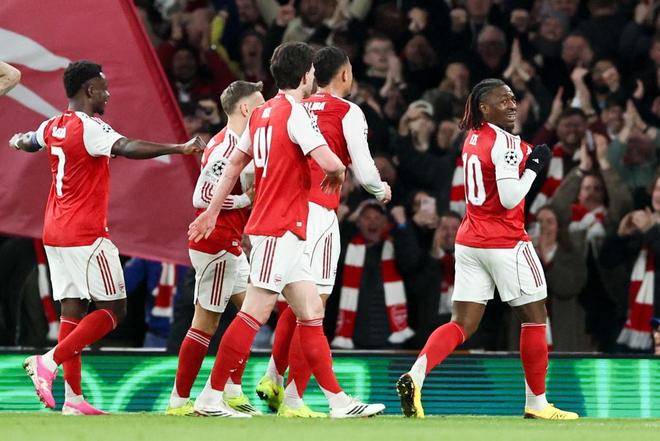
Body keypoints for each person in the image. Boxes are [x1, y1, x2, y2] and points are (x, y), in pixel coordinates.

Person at [188, 42, 385, 418]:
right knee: (254, 313)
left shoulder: (261, 113)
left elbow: (235, 164)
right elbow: (329, 161)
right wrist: (336, 171)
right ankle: (210, 397)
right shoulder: (295, 113)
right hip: (279, 227)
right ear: (306, 75)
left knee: (310, 311)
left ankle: (338, 402)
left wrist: (212, 211)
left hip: (285, 227)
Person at [10, 60, 204, 415]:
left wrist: (17, 140)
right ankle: (48, 361)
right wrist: (178, 148)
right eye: (103, 88)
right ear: (89, 90)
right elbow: (127, 146)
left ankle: (73, 400)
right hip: (86, 234)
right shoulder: (91, 127)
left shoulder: (52, 125)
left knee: (73, 311)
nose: (107, 94)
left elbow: (29, 141)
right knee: (114, 309)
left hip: (54, 232)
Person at [395, 78, 578, 420]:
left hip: (469, 240)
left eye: (513, 99)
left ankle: (415, 376)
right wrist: (534, 169)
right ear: (484, 107)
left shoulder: (473, 137)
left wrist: (532, 151)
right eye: (503, 100)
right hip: (506, 240)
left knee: (462, 323)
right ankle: (537, 404)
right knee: (535, 318)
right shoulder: (505, 142)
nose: (512, 105)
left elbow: (509, 160)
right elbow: (509, 197)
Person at [255, 46, 392, 417]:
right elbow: (364, 169)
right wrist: (380, 189)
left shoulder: (294, 106)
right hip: (319, 213)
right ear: (345, 74)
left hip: (285, 209)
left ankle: (274, 378)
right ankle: (298, 396)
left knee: (298, 300)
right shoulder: (348, 111)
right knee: (314, 306)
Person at [166, 80, 265, 417]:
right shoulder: (226, 147)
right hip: (216, 242)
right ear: (246, 109)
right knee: (205, 324)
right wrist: (242, 201)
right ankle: (180, 401)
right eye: (261, 104)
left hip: (230, 242)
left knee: (253, 313)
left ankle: (232, 390)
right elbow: (202, 195)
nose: (265, 110)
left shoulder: (236, 142)